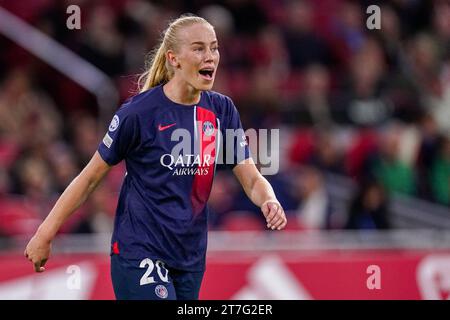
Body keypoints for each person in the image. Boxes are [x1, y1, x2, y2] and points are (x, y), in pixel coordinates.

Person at [24, 14, 287, 300]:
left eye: (214, 47)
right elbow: (89, 179)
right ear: (174, 59)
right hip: (139, 253)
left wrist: (269, 199)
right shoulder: (138, 113)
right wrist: (45, 233)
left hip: (189, 257)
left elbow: (250, 179)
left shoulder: (222, 111)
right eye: (199, 48)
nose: (210, 56)